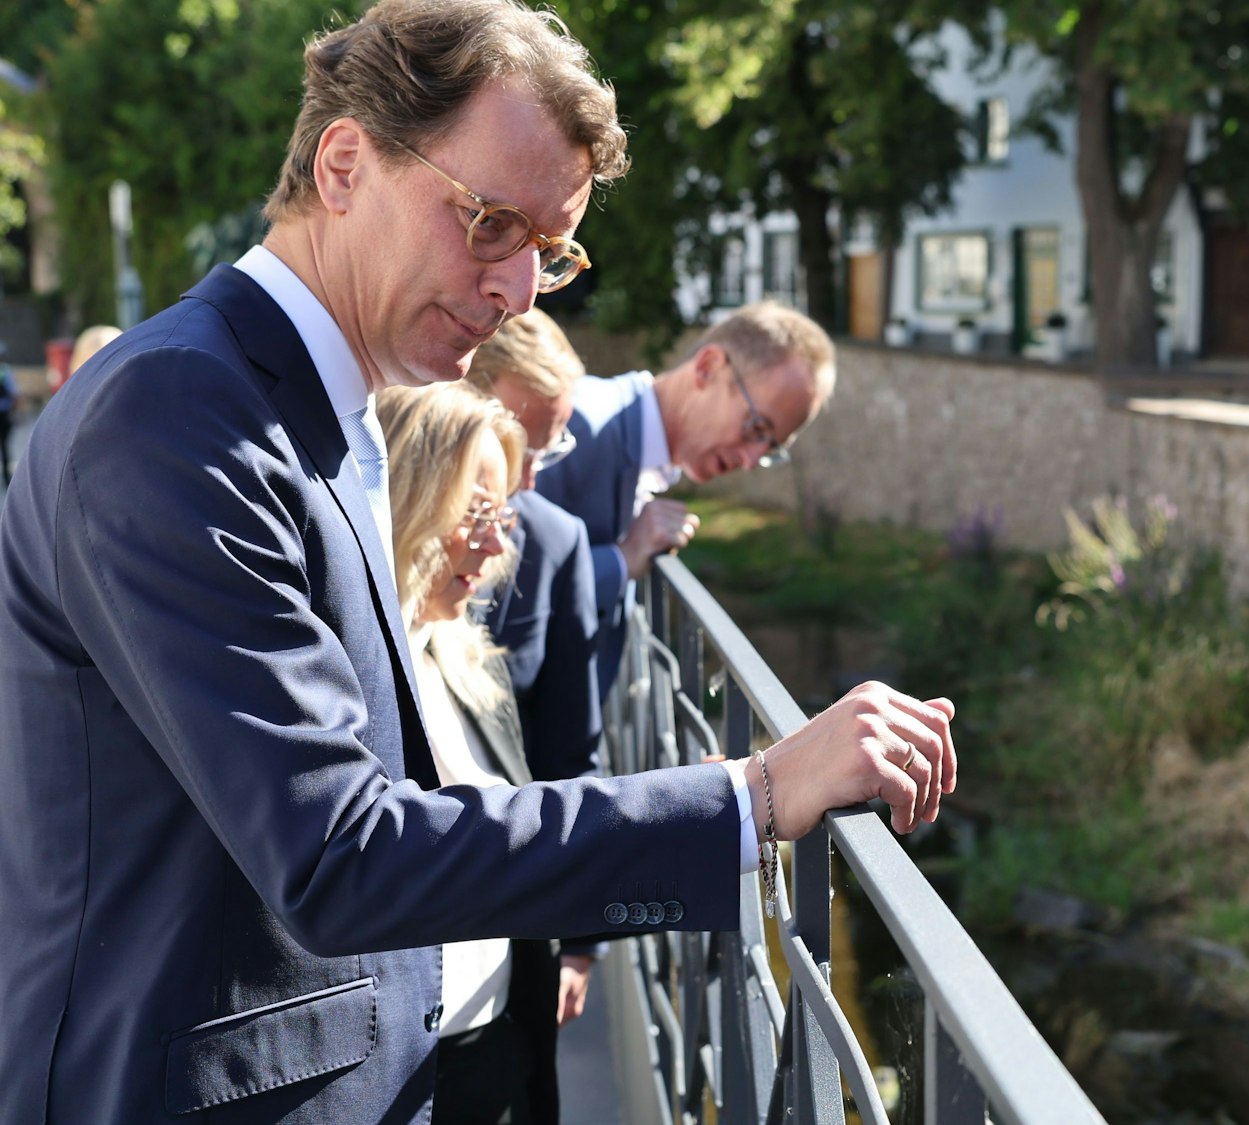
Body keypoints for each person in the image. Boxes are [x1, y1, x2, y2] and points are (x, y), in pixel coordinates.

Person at [0, 2, 955, 1121]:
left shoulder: (321, 405)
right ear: (344, 162)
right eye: (491, 225)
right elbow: (337, 853)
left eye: (549, 252)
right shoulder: (180, 411)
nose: (517, 292)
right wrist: (755, 793)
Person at [377, 383, 559, 1124]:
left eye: (502, 515)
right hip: (402, 1083)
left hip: (494, 1053)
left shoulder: (469, 660)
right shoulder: (340, 685)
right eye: (474, 514)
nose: (495, 546)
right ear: (401, 497)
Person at [536, 301, 835, 687]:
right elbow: (502, 593)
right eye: (757, 427)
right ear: (708, 367)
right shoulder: (577, 429)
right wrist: (623, 559)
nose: (750, 459)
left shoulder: (631, 443)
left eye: (771, 448)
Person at [463, 308, 606, 1032]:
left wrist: (578, 942)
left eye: (545, 456)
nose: (525, 483)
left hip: (511, 916)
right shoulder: (373, 522)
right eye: (517, 444)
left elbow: (569, 749)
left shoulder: (554, 543)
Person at [0, 342, 14, 487]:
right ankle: (5, 478)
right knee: (4, 447)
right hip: (4, 414)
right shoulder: (6, 371)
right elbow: (13, 393)